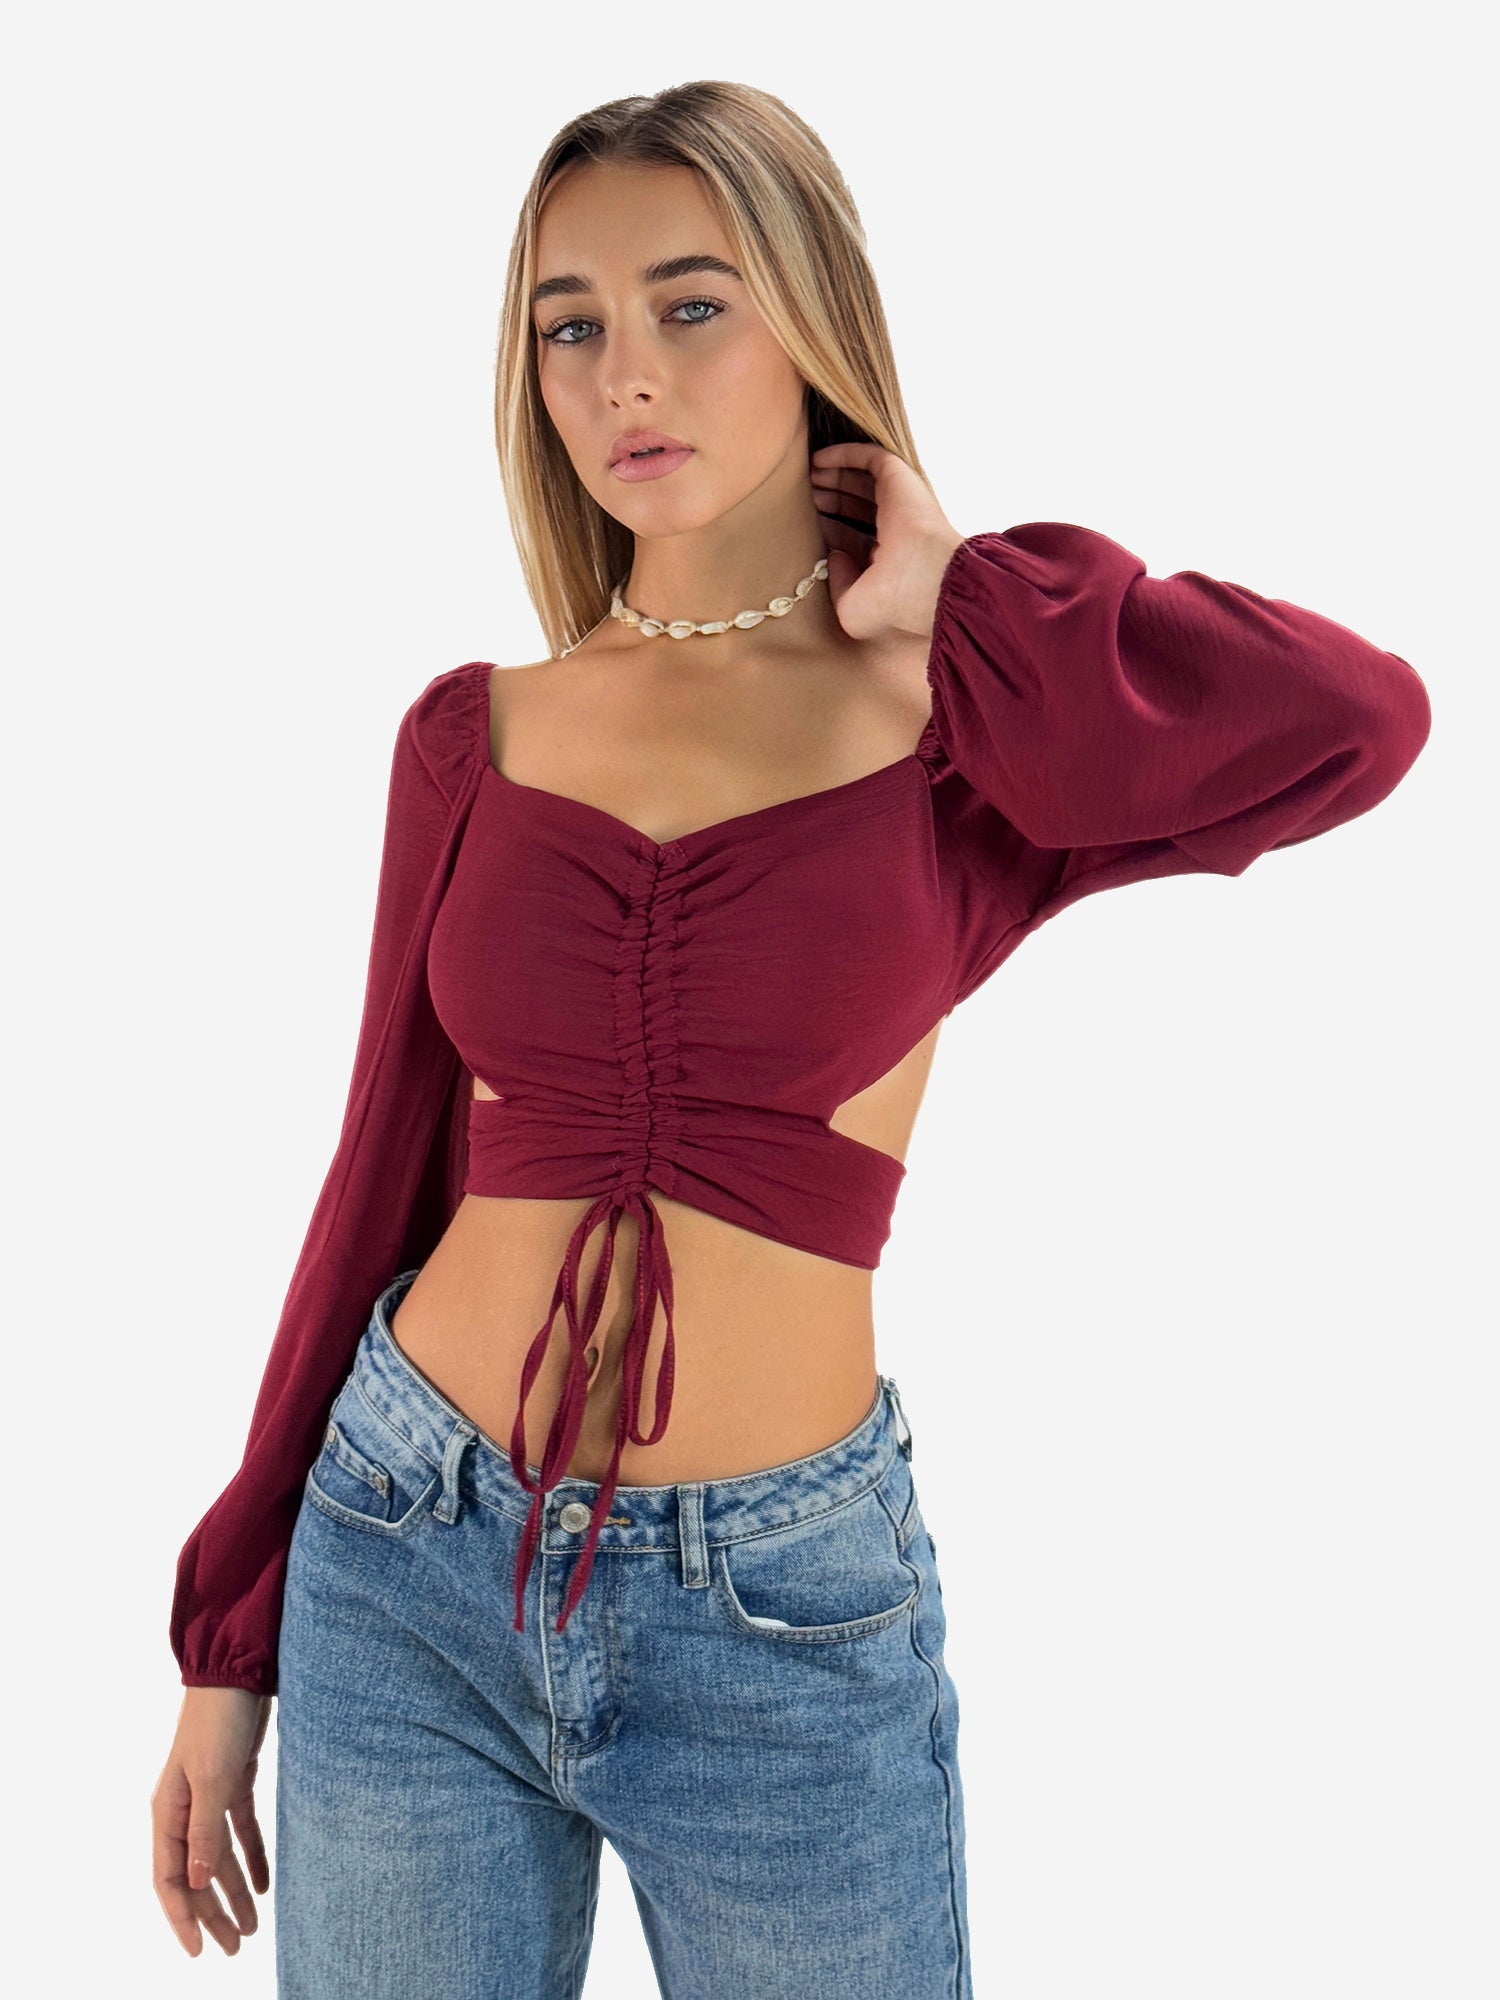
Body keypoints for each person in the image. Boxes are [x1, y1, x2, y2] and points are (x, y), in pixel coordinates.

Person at [150, 80, 1431, 1996]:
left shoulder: (961, 730)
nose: (623, 376)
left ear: (811, 316)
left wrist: (966, 594)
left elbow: (1361, 723)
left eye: (693, 305)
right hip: (407, 1548)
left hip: (779, 1614)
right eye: (569, 325)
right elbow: (379, 1170)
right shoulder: (472, 735)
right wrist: (231, 1641)